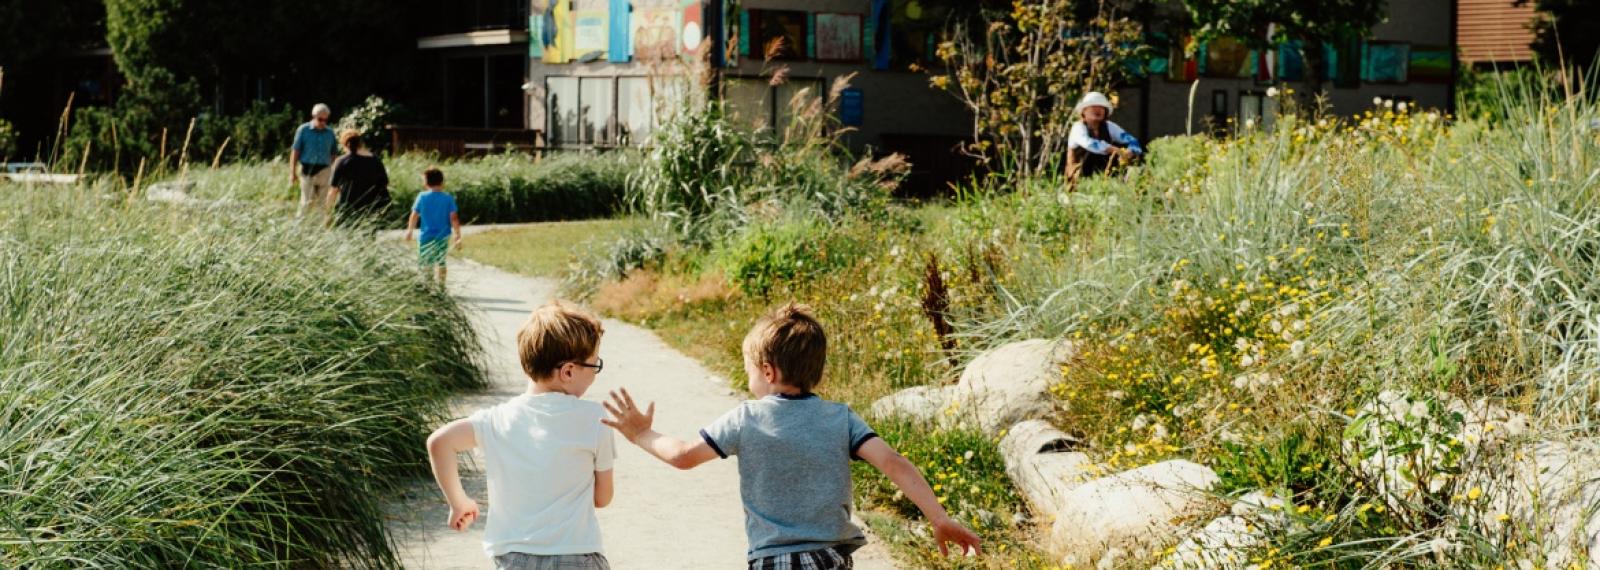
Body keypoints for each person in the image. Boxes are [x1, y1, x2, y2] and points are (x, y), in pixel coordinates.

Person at [601, 303, 982, 569]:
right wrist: (938, 517)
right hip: (832, 558)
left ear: (767, 372)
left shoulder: (747, 418)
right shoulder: (841, 418)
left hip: (774, 560)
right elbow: (893, 463)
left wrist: (641, 433)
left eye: (748, 368)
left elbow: (683, 455)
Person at [425, 301, 616, 570]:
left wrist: (459, 502)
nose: (595, 374)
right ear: (569, 371)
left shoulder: (496, 420)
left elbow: (440, 442)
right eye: (594, 366)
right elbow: (602, 498)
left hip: (514, 557)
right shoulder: (597, 419)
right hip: (578, 554)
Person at [1066, 91, 1145, 180]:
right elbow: (1090, 144)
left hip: (1104, 178)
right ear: (1084, 111)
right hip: (1079, 179)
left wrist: (1131, 151)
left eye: (1102, 107)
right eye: (1093, 106)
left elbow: (1132, 140)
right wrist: (1116, 150)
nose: (1098, 109)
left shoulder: (1109, 126)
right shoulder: (1078, 127)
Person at [404, 167, 462, 283]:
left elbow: (414, 215)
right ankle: (441, 287)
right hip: (443, 236)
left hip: (425, 236)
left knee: (426, 262)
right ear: (442, 182)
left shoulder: (422, 196)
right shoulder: (447, 198)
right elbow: (454, 218)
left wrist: (409, 230)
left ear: (426, 182)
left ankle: (428, 285)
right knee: (441, 262)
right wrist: (457, 235)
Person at [327, 129, 391, 225]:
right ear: (360, 143)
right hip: (371, 209)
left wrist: (328, 213)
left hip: (347, 209)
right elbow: (384, 184)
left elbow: (333, 190)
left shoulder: (341, 161)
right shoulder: (375, 160)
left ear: (345, 144)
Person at [290, 103, 338, 220]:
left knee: (322, 205)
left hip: (324, 171)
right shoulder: (303, 130)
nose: (323, 122)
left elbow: (334, 153)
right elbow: (295, 152)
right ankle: (300, 228)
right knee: (306, 203)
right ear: (313, 116)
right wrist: (292, 173)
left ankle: (319, 231)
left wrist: (333, 171)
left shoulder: (330, 133)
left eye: (325, 119)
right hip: (307, 170)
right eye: (320, 119)